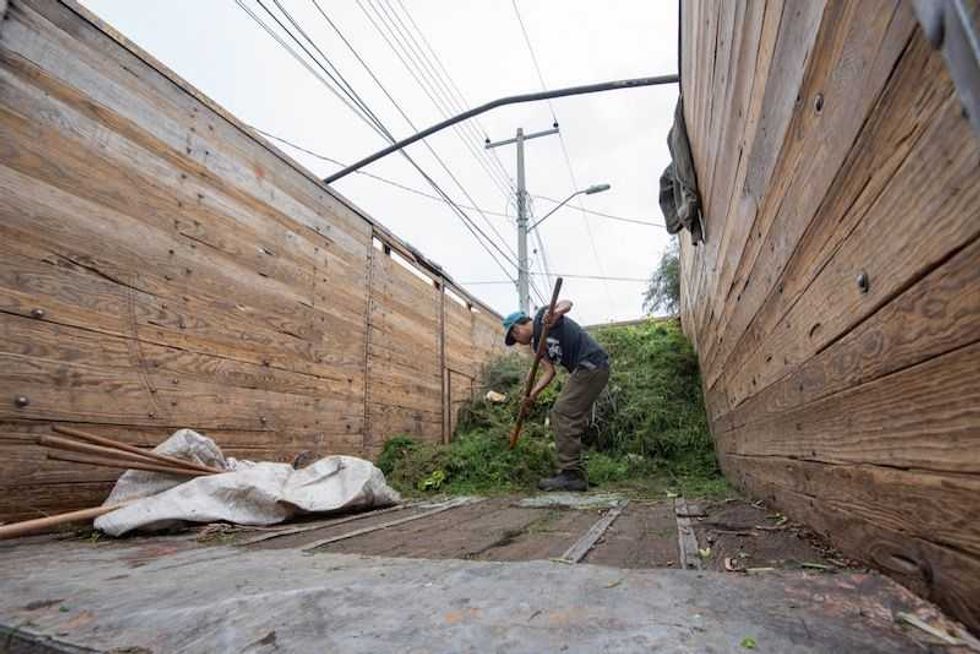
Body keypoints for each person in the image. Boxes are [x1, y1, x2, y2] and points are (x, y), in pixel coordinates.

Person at [502, 300, 610, 491]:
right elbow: (549, 372)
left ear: (517, 329)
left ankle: (571, 474)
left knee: (562, 413)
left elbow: (567, 303)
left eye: (515, 338)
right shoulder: (538, 346)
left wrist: (556, 313)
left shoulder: (542, 318)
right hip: (587, 369)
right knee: (570, 415)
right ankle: (576, 472)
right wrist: (532, 395)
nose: (518, 342)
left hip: (591, 364)